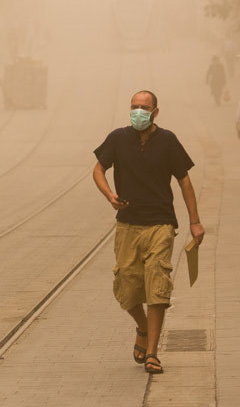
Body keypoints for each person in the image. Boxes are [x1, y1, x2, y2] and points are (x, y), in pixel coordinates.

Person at [92, 90, 205, 375]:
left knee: (157, 285)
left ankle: (153, 352)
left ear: (155, 112)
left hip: (160, 223)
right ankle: (142, 327)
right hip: (128, 223)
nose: (138, 111)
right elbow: (97, 169)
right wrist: (109, 195)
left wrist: (194, 221)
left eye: (144, 107)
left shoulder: (167, 140)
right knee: (126, 289)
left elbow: (185, 181)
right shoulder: (118, 138)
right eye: (134, 107)